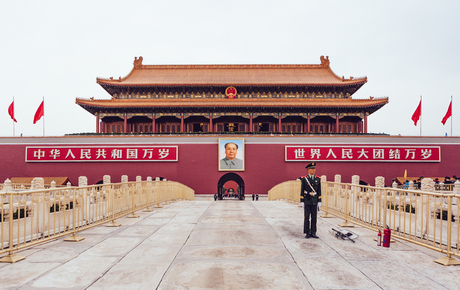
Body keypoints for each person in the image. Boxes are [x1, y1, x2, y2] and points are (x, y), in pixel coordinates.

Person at [300, 162, 321, 239]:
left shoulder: (318, 179)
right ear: (308, 170)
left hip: (314, 201)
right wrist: (302, 200)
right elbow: (302, 190)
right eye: (312, 169)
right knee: (306, 217)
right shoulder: (304, 179)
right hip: (307, 200)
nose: (314, 170)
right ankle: (307, 232)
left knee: (314, 217)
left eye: (314, 168)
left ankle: (313, 232)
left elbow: (319, 190)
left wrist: (319, 201)